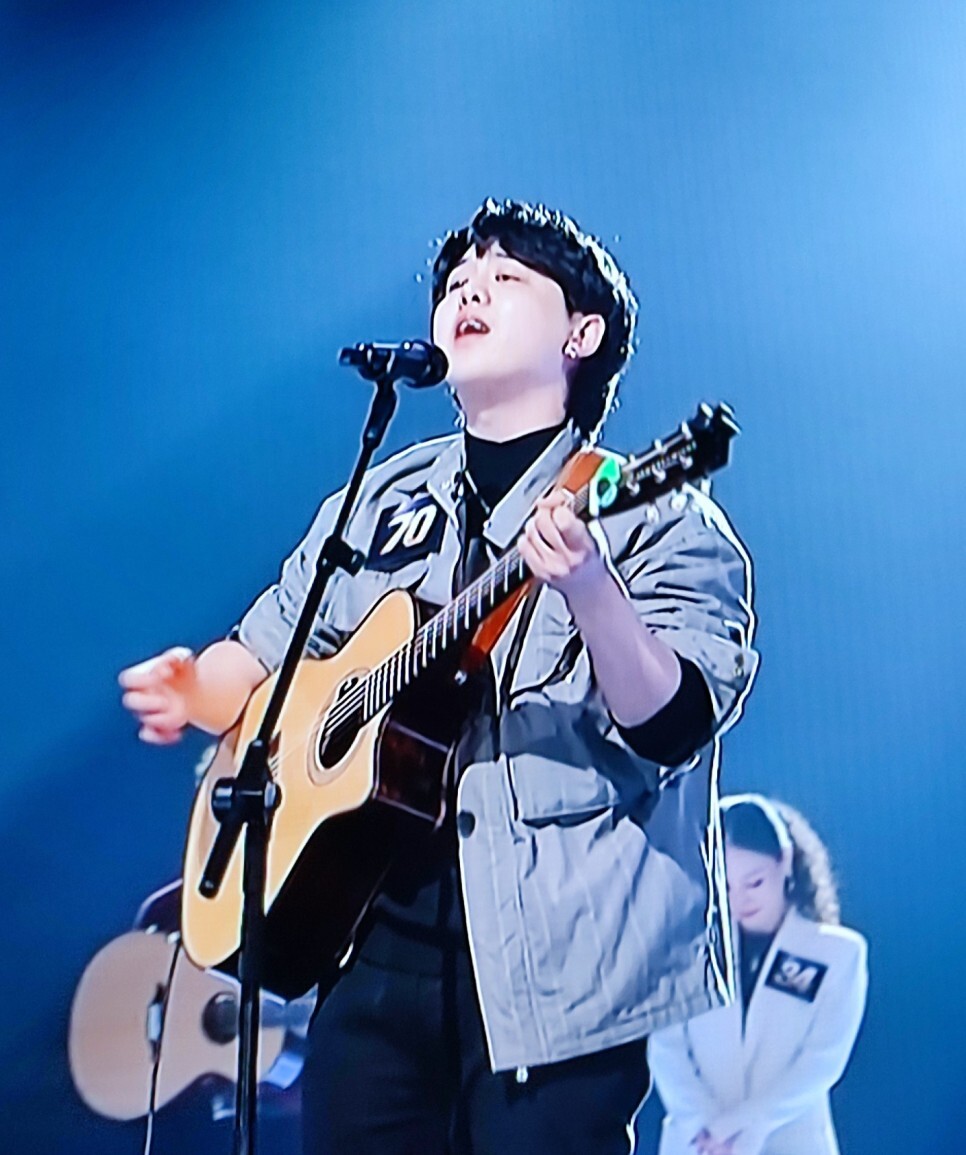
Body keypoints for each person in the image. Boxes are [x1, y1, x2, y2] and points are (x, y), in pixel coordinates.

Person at [119, 198, 758, 1155]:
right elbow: (257, 661)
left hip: (561, 980)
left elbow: (672, 723)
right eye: (458, 282)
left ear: (582, 334)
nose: (469, 293)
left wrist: (590, 586)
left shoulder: (658, 516)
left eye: (506, 279)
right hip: (368, 949)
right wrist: (192, 690)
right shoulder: (377, 500)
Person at [648, 794, 868, 1155]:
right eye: (726, 887)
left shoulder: (837, 954)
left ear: (785, 861)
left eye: (754, 883)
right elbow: (666, 1047)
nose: (741, 900)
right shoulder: (682, 945)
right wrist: (708, 1127)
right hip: (700, 1143)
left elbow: (823, 1059)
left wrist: (747, 1124)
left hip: (792, 1142)